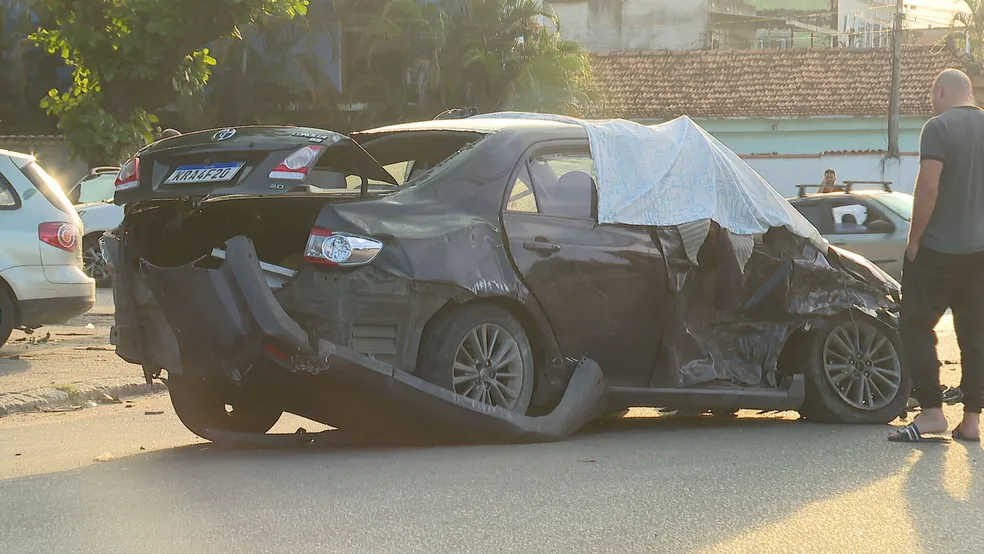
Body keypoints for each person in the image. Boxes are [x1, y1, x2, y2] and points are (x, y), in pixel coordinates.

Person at [889, 68, 984, 443]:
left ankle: (931, 413)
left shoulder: (938, 127)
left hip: (938, 252)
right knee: (976, 335)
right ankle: (973, 421)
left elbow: (929, 185)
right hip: (980, 254)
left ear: (941, 90)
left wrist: (914, 240)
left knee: (914, 324)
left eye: (933, 94)